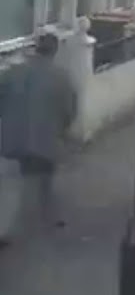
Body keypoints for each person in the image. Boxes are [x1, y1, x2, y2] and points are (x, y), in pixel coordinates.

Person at [0, 33, 78, 242]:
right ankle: (48, 214)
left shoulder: (13, 71)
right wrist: (61, 129)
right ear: (55, 51)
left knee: (15, 179)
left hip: (12, 137)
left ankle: (8, 227)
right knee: (45, 175)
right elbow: (69, 110)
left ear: (36, 48)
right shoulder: (62, 77)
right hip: (45, 139)